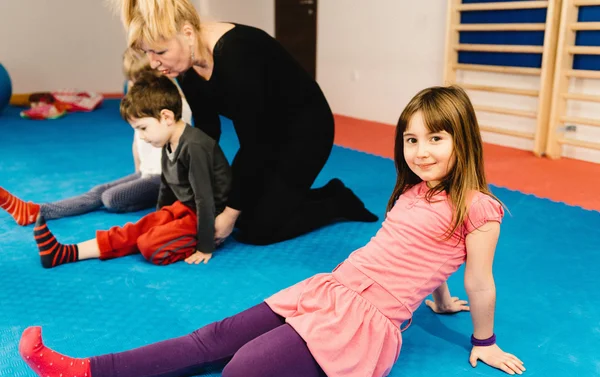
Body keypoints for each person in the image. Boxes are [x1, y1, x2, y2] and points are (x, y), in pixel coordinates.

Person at [18, 86, 525, 377]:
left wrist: (484, 341)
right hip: (330, 288)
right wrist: (439, 298)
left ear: (463, 139)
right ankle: (82, 374)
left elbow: (480, 278)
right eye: (411, 140)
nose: (420, 151)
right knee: (211, 338)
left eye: (436, 138)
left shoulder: (479, 208)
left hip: (364, 321)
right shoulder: (414, 190)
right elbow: (416, 251)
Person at [113, 0, 379, 247]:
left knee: (257, 230)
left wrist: (228, 215)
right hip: (265, 134)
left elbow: (256, 146)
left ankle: (336, 200)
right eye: (147, 52)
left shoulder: (238, 53)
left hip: (304, 132)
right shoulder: (185, 64)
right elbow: (207, 133)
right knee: (246, 209)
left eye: (160, 51)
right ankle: (283, 200)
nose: (154, 63)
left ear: (188, 34)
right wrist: (184, 198)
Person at [33, 72, 231, 268]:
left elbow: (205, 200)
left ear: (166, 117)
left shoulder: (195, 146)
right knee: (138, 228)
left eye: (143, 128)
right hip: (185, 207)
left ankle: (195, 240)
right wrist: (159, 218)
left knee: (149, 245)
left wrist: (205, 246)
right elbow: (167, 186)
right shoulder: (168, 141)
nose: (141, 137)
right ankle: (66, 252)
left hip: (206, 213)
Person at [0, 49, 192, 227]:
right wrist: (137, 174)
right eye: (131, 80)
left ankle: (151, 200)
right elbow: (138, 143)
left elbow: (183, 148)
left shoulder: (175, 106)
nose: (133, 86)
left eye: (138, 80)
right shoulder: (144, 107)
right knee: (99, 191)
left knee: (111, 198)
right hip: (147, 173)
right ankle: (36, 211)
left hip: (165, 178)